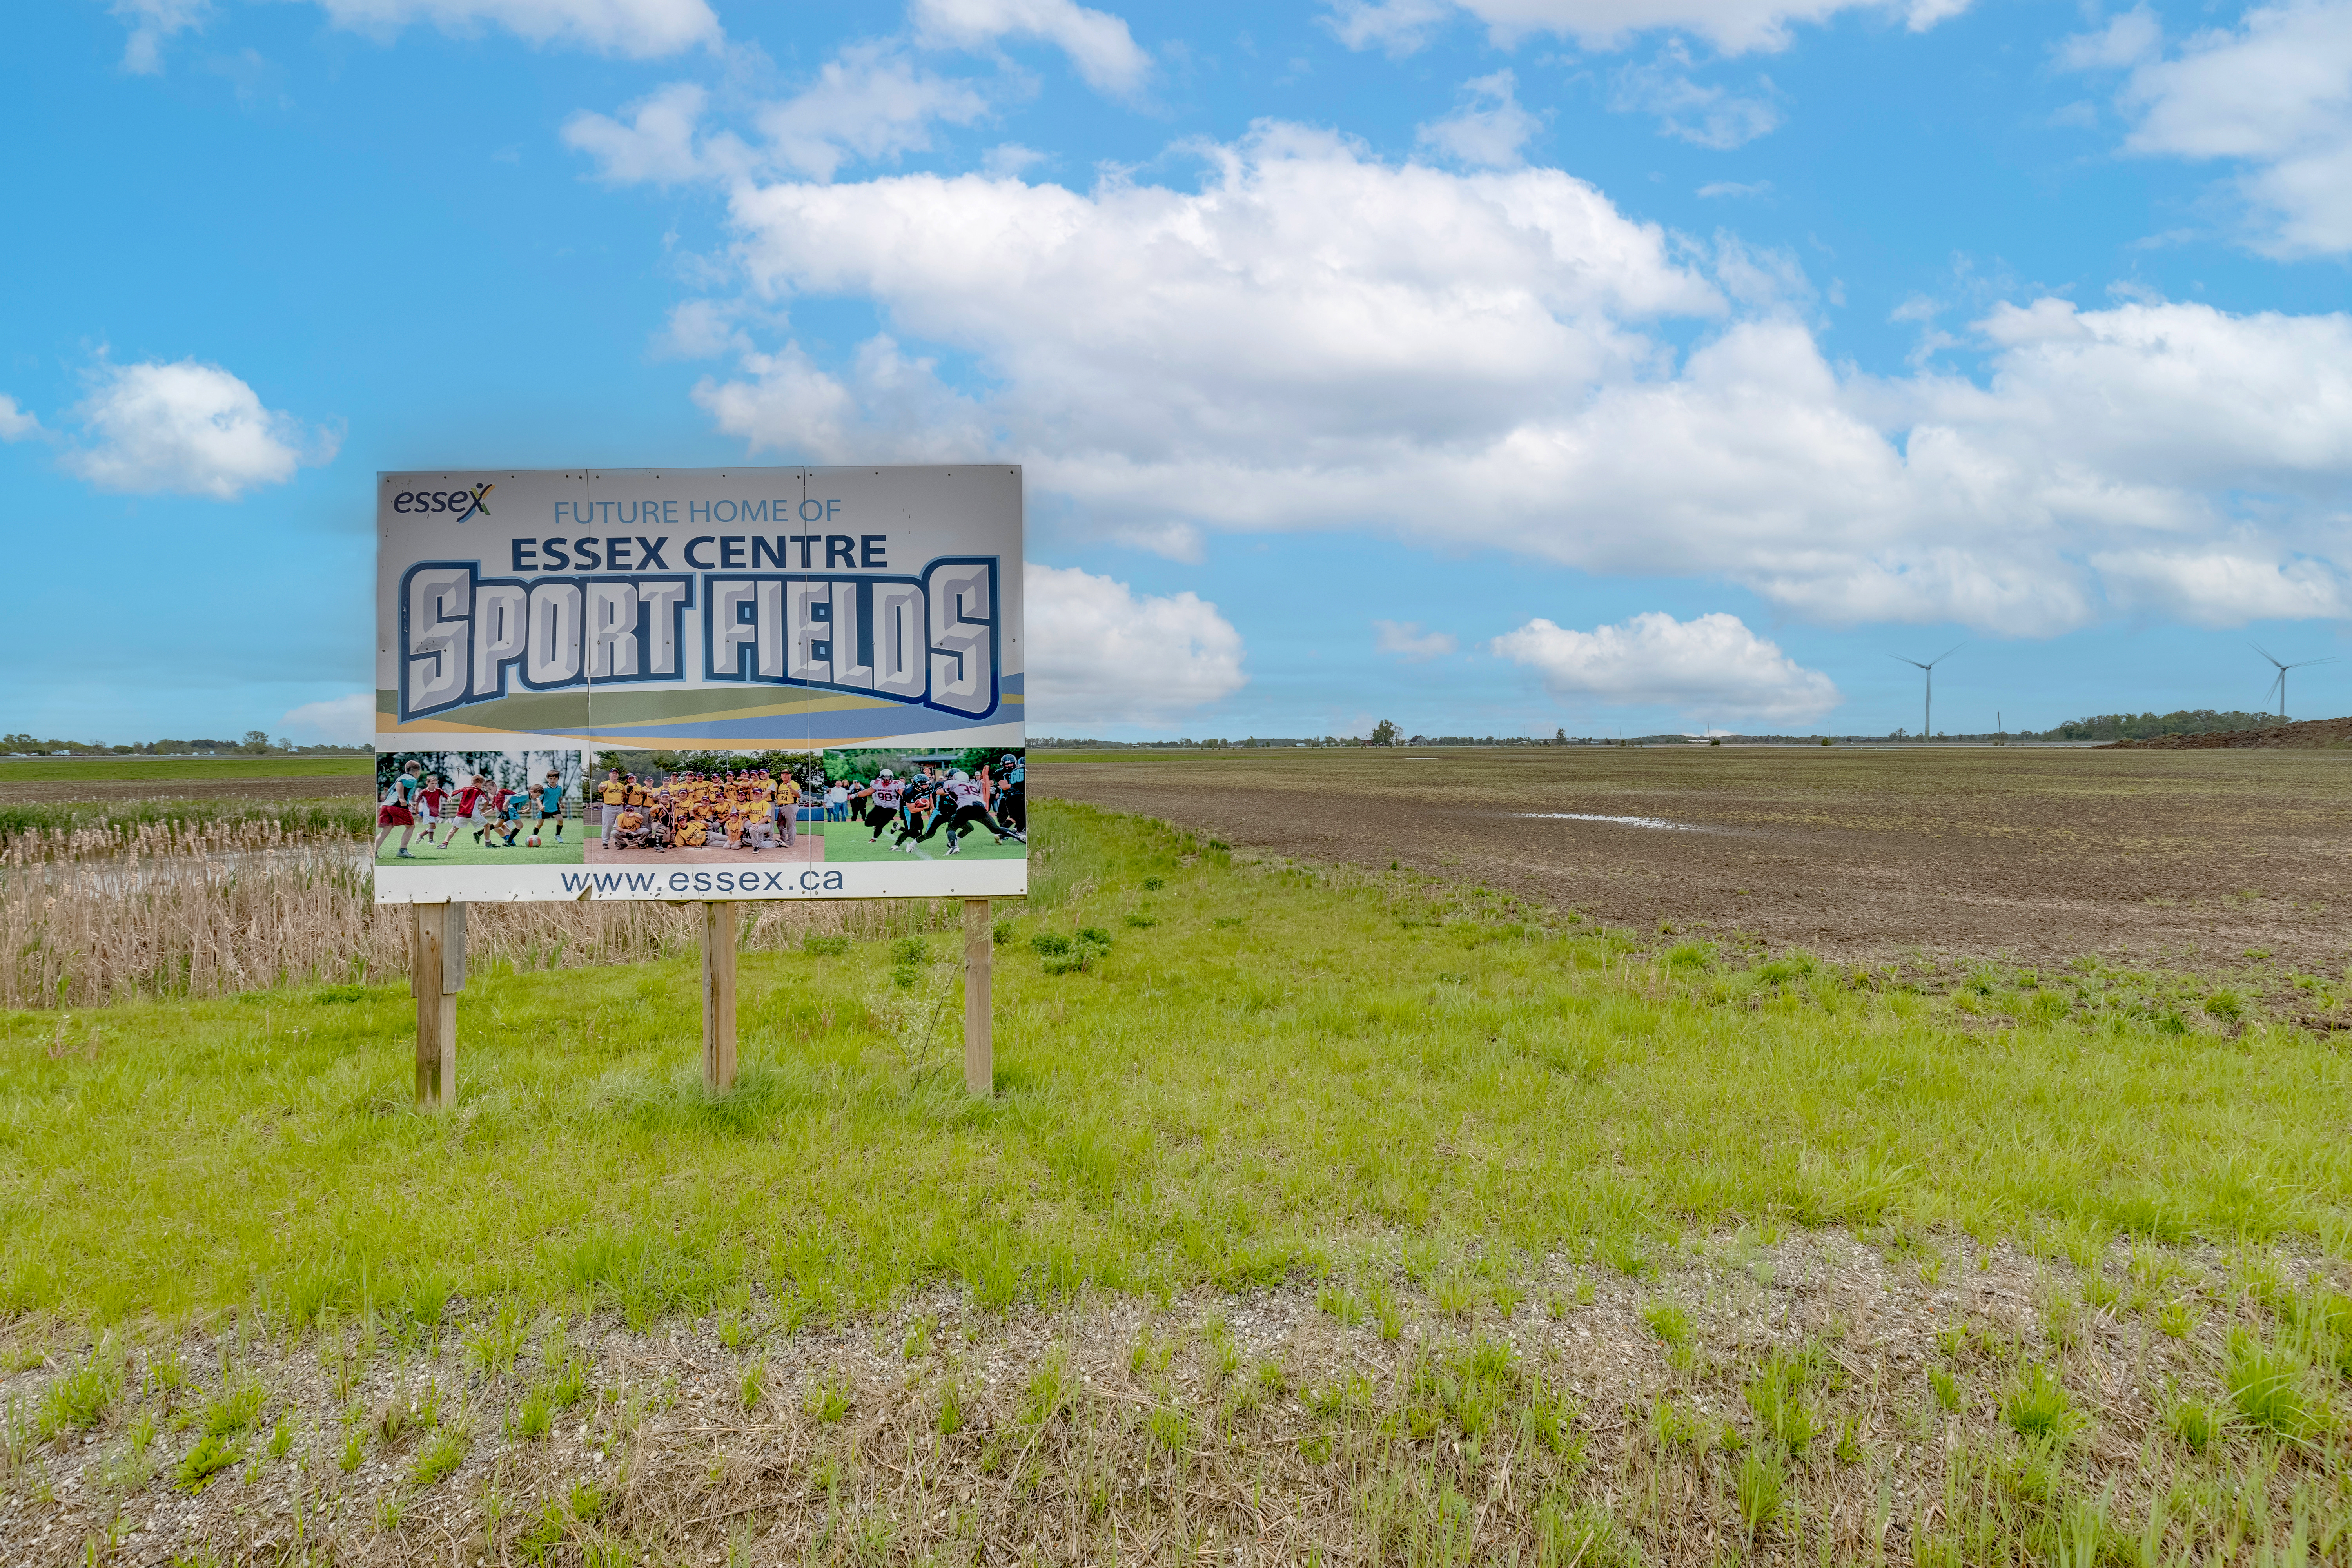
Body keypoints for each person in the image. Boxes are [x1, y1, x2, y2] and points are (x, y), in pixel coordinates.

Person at [915, 766, 1018, 855]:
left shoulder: (954, 784)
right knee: (995, 828)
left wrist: (950, 791)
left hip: (962, 809)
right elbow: (938, 792)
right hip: (974, 808)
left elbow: (940, 792)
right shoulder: (969, 785)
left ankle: (954, 845)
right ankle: (1018, 836)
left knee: (952, 828)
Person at [373, 759, 425, 858]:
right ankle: (403, 850)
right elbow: (400, 784)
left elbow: (394, 791)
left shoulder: (402, 776)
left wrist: (407, 801)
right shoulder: (412, 779)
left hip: (387, 806)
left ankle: (373, 853)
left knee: (386, 830)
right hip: (397, 806)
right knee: (411, 827)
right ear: (417, 772)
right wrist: (401, 798)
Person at [993, 752, 1026, 839]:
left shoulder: (1018, 769)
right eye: (1007, 764)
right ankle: (1010, 832)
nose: (1009, 766)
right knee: (1002, 816)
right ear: (1003, 765)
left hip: (1012, 796)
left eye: (1011, 763)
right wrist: (1018, 785)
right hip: (1007, 796)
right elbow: (1004, 787)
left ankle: (1016, 831)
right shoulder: (1000, 773)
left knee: (1016, 817)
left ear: (1015, 763)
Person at [538, 769, 569, 840]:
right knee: (540, 825)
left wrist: (561, 803)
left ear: (558, 779)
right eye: (551, 779)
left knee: (561, 821)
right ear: (547, 779)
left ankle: (558, 835)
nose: (552, 780)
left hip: (555, 808)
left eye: (555, 779)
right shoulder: (545, 788)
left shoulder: (560, 788)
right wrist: (541, 806)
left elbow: (559, 797)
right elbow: (539, 799)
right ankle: (534, 836)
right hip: (545, 809)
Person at [773, 769, 800, 847]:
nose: (785, 776)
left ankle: (790, 842)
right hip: (781, 806)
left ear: (790, 775)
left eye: (787, 774)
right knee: (780, 824)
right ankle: (783, 839)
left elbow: (798, 795)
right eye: (783, 775)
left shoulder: (794, 784)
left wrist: (791, 788)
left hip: (791, 805)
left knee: (791, 825)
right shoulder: (781, 785)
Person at [598, 768, 626, 833]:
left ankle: (617, 842)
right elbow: (600, 788)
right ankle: (605, 842)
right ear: (610, 775)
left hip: (620, 807)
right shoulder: (605, 783)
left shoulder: (621, 786)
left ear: (618, 775)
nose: (615, 775)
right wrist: (601, 787)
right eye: (613, 773)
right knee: (607, 826)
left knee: (619, 826)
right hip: (608, 807)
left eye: (616, 774)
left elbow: (624, 797)